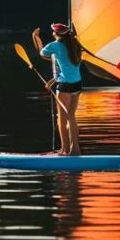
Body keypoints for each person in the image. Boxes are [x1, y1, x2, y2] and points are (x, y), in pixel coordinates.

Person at [34, 24, 83, 155]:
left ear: (56, 34)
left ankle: (66, 150)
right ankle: (75, 149)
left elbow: (42, 53)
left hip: (65, 86)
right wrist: (53, 80)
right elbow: (67, 68)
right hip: (77, 85)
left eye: (53, 32)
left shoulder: (55, 45)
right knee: (71, 116)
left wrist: (35, 37)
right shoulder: (76, 45)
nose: (52, 34)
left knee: (62, 118)